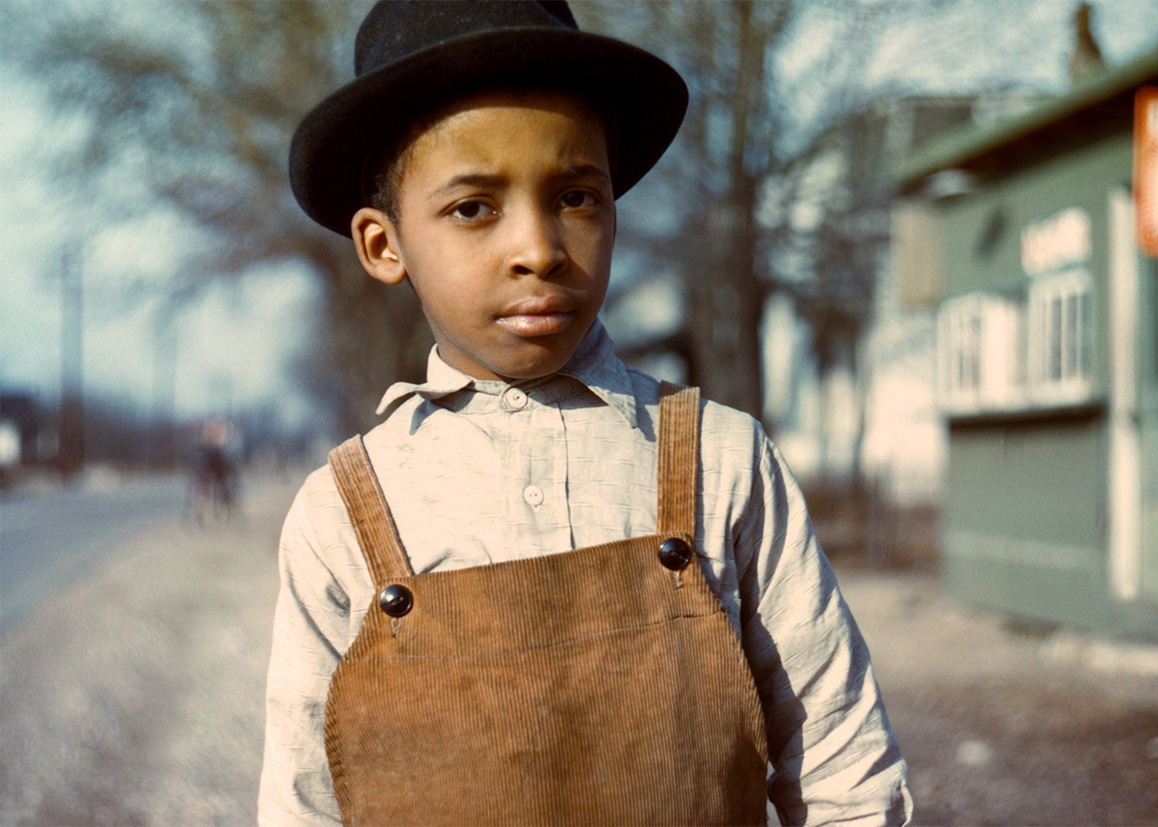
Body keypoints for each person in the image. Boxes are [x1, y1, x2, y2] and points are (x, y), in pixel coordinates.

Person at [259, 1, 912, 824]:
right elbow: (303, 800)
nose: (539, 246)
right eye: (474, 208)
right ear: (385, 245)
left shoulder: (723, 459)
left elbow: (843, 766)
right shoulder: (343, 514)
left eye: (575, 196)